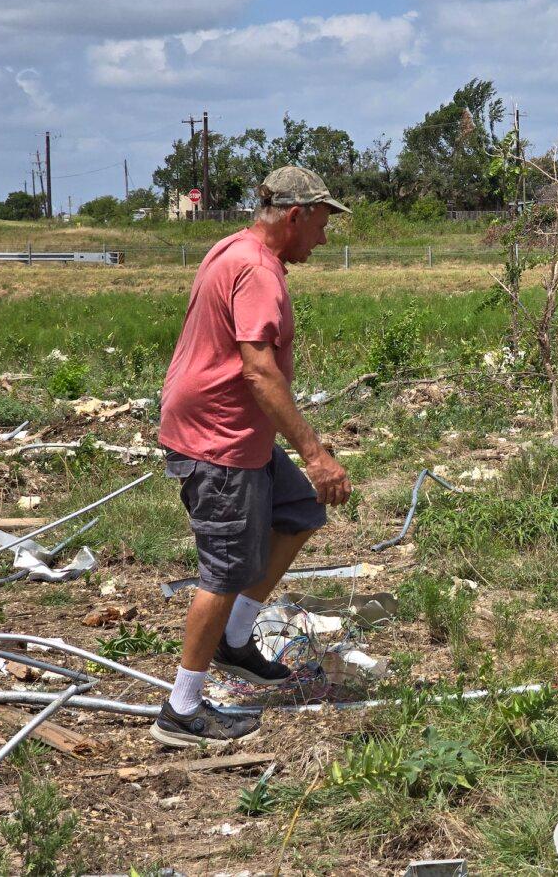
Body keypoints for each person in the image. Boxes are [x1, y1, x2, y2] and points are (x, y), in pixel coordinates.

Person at [152, 166, 353, 748]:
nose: (322, 237)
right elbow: (259, 370)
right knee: (226, 568)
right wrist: (315, 454)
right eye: (320, 223)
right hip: (219, 438)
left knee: (297, 512)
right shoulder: (258, 271)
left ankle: (234, 642)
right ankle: (182, 708)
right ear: (294, 216)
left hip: (239, 431)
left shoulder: (233, 249)